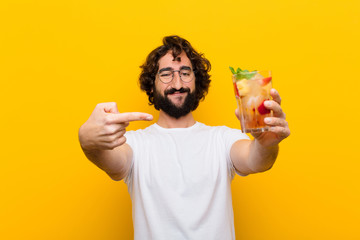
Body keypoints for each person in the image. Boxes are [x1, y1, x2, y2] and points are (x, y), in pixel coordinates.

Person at [78, 35, 290, 240]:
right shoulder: (135, 144)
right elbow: (112, 161)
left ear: (196, 82)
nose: (177, 82)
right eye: (166, 74)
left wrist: (265, 144)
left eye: (185, 73)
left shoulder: (222, 139)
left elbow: (256, 160)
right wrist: (87, 141)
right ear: (152, 85)